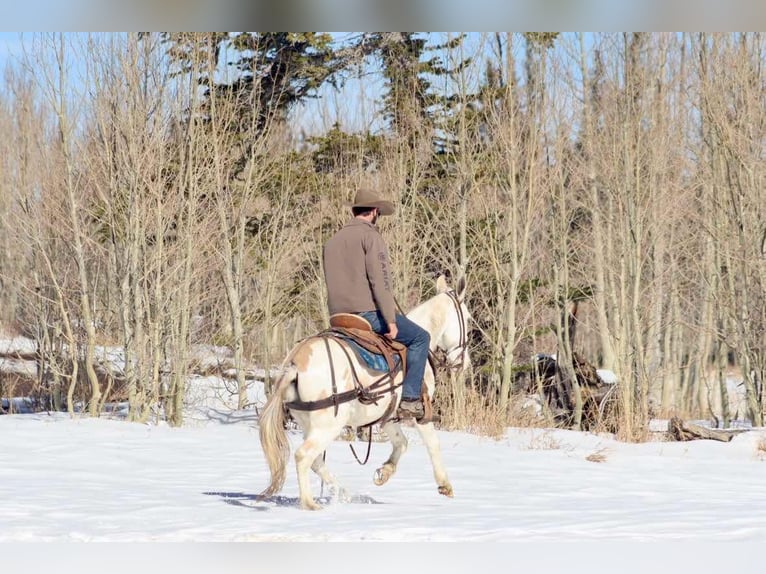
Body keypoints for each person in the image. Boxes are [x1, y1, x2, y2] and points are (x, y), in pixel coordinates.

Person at [323, 188, 431, 421]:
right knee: (420, 337)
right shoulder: (371, 237)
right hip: (367, 314)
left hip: (336, 316)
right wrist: (390, 320)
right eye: (378, 212)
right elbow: (380, 281)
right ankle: (410, 400)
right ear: (373, 211)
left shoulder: (332, 241)